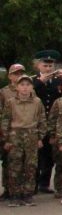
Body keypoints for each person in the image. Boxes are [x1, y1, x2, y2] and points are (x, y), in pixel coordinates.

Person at [2, 74, 46, 206]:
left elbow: (42, 120)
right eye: (22, 85)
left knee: (30, 166)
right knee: (15, 166)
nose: (25, 88)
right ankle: (15, 195)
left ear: (32, 87)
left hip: (32, 135)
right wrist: (7, 139)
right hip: (15, 135)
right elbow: (5, 120)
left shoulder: (37, 102)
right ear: (17, 87)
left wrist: (40, 137)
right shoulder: (11, 102)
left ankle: (27, 194)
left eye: (28, 85)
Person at [32, 50, 62, 194]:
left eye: (51, 66)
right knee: (36, 156)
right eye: (45, 65)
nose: (48, 68)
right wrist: (40, 82)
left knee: (50, 156)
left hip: (53, 124)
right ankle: (33, 184)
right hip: (37, 123)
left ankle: (44, 183)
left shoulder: (58, 81)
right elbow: (29, 94)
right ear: (38, 66)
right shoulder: (33, 81)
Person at [0, 63, 31, 201]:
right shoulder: (4, 92)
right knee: (8, 162)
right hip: (9, 131)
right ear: (10, 76)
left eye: (21, 73)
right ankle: (8, 189)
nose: (18, 76)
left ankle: (23, 190)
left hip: (25, 131)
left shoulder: (29, 90)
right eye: (16, 74)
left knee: (25, 162)